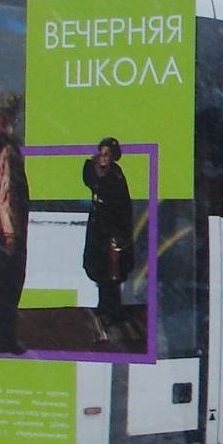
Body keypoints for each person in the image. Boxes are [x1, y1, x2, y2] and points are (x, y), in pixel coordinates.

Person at [0, 90, 30, 354]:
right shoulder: (7, 149)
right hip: (5, 227)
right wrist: (11, 232)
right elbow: (7, 193)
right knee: (9, 284)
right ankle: (4, 338)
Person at [82, 136, 136, 335]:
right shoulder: (99, 172)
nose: (103, 158)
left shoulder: (115, 176)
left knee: (111, 273)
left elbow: (120, 206)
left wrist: (117, 235)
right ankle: (105, 307)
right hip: (99, 231)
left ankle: (112, 311)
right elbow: (89, 178)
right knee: (101, 271)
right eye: (101, 154)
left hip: (111, 231)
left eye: (107, 155)